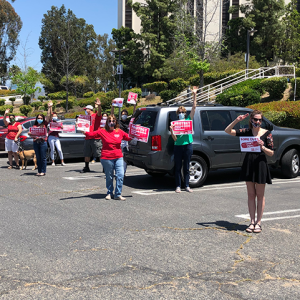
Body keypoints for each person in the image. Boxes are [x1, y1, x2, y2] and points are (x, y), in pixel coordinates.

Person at [225, 110, 274, 233]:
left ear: (261, 121)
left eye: (259, 120)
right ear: (251, 120)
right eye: (255, 119)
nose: (257, 122)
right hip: (249, 164)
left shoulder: (267, 134)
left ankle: (258, 223)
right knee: (251, 195)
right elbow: (227, 131)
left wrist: (262, 146)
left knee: (260, 195)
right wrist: (237, 120)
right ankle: (252, 222)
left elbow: (272, 152)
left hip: (261, 164)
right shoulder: (247, 132)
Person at [85, 114, 132, 201]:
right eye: (109, 121)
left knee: (120, 175)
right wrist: (82, 130)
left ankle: (118, 194)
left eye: (113, 121)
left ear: (116, 122)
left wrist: (137, 133)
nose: (111, 122)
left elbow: (129, 137)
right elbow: (91, 135)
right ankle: (109, 192)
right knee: (109, 176)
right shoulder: (102, 131)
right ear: (107, 122)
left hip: (118, 156)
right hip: (106, 157)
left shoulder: (119, 131)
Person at [169, 86, 197, 193]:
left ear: (185, 113)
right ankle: (178, 186)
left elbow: (194, 107)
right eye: (179, 112)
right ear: (177, 114)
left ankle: (187, 185)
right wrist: (171, 130)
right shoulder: (175, 124)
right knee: (177, 166)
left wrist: (194, 94)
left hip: (188, 145)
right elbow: (174, 138)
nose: (181, 114)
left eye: (182, 112)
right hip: (178, 146)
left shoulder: (188, 120)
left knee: (186, 166)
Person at [111, 103, 136, 173]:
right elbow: (112, 116)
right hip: (118, 141)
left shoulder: (129, 122)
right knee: (116, 157)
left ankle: (123, 172)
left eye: (125, 114)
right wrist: (113, 106)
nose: (123, 115)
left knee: (124, 158)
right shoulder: (118, 122)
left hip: (126, 142)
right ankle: (116, 171)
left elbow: (134, 115)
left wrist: (134, 105)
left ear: (127, 115)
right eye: (122, 114)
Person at [79, 99, 102, 173]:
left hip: (96, 137)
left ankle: (105, 167)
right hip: (87, 137)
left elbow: (99, 112)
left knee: (99, 153)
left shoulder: (95, 115)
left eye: (86, 109)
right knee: (86, 153)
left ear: (90, 109)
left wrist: (99, 106)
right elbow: (83, 127)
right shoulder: (85, 118)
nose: (85, 110)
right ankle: (86, 167)